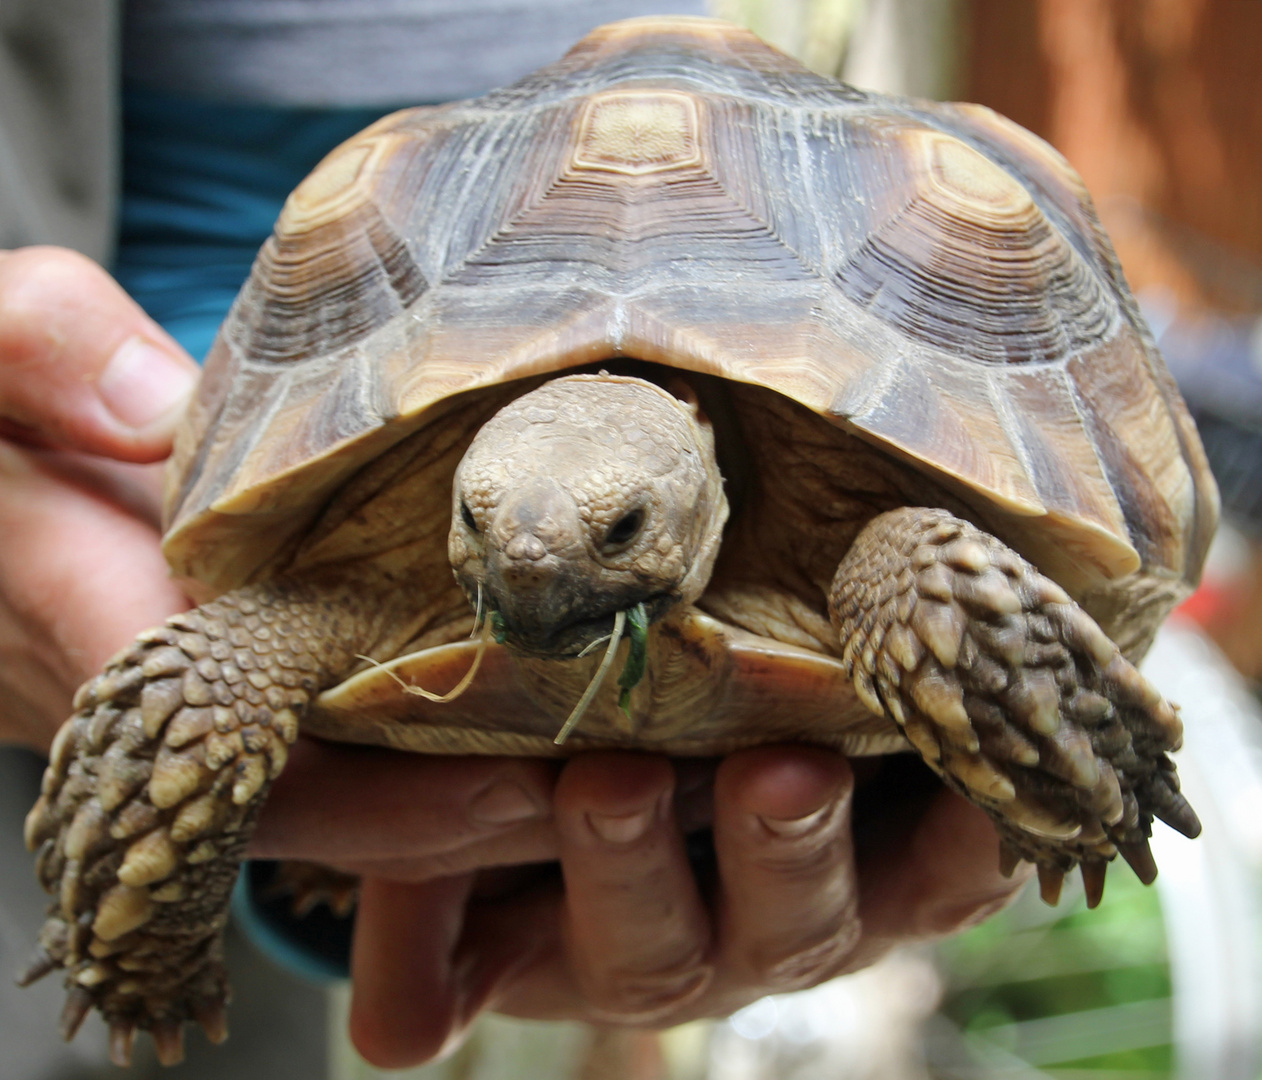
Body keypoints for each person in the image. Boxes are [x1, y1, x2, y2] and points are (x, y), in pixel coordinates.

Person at [0, 2, 1026, 1072]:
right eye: (478, 522)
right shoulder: (359, 565)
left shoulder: (876, 546)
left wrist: (1056, 775)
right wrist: (150, 933)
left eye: (619, 528)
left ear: (699, 475)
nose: (529, 564)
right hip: (170, 303)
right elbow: (197, 681)